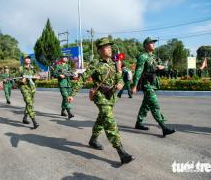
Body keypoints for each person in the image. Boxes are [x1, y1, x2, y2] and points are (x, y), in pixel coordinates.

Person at [68, 37, 134, 165]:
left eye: (110, 47)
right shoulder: (95, 64)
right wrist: (72, 94)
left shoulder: (113, 63)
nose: (110, 49)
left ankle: (93, 140)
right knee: (109, 122)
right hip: (100, 96)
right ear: (99, 50)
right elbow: (82, 79)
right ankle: (121, 152)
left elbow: (119, 77)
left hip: (111, 96)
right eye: (106, 47)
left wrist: (120, 83)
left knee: (101, 119)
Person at [132, 37, 176, 137]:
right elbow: (138, 71)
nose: (153, 44)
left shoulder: (154, 57)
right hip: (146, 84)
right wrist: (134, 86)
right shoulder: (143, 56)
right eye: (151, 43)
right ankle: (164, 127)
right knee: (154, 105)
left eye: (153, 43)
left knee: (146, 105)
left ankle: (139, 123)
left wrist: (162, 67)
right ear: (145, 45)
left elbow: (163, 67)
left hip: (152, 83)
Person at [18, 55, 40, 129]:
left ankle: (24, 118)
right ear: (24, 60)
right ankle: (34, 121)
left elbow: (37, 75)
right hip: (24, 88)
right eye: (26, 58)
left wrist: (37, 77)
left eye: (29, 58)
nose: (28, 60)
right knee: (29, 103)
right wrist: (21, 80)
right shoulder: (20, 68)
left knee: (29, 103)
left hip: (32, 88)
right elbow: (15, 78)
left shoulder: (33, 67)